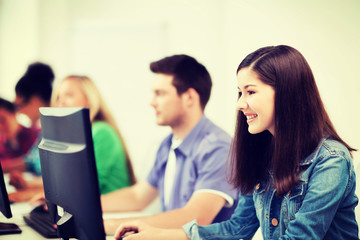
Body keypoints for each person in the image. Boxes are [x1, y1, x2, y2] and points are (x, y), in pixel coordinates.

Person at [113, 45, 359, 240]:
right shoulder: (262, 154)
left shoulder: (331, 160)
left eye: (250, 92)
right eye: (239, 92)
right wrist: (156, 234)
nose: (240, 103)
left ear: (286, 93)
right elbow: (238, 227)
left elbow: (300, 237)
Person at [102, 54, 237, 234]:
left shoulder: (218, 147)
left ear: (189, 97)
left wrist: (108, 225)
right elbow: (138, 196)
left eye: (160, 94)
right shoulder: (168, 144)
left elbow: (196, 217)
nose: (152, 102)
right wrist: (83, 205)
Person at [50, 75, 136, 194]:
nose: (61, 102)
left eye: (69, 95)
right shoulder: (77, 136)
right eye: (58, 97)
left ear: (88, 100)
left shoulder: (102, 131)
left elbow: (87, 184)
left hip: (115, 210)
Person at [0, 97, 38, 171]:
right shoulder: (1, 145)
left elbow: (34, 162)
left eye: (2, 120)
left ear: (14, 114)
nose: (0, 127)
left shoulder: (36, 135)